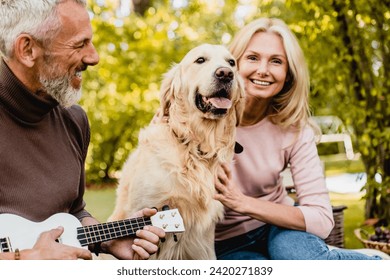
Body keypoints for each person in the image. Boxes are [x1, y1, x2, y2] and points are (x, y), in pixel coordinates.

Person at [0, 0, 164, 260]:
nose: (94, 57)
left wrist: (106, 238)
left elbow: (74, 211)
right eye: (79, 44)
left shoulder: (73, 120)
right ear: (27, 49)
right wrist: (26, 259)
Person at [213, 17, 384, 260]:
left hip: (280, 226)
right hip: (225, 243)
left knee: (308, 263)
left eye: (276, 61)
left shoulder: (293, 129)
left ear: (288, 74)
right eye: (252, 58)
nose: (263, 70)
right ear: (233, 64)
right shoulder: (197, 115)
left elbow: (322, 219)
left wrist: (242, 203)